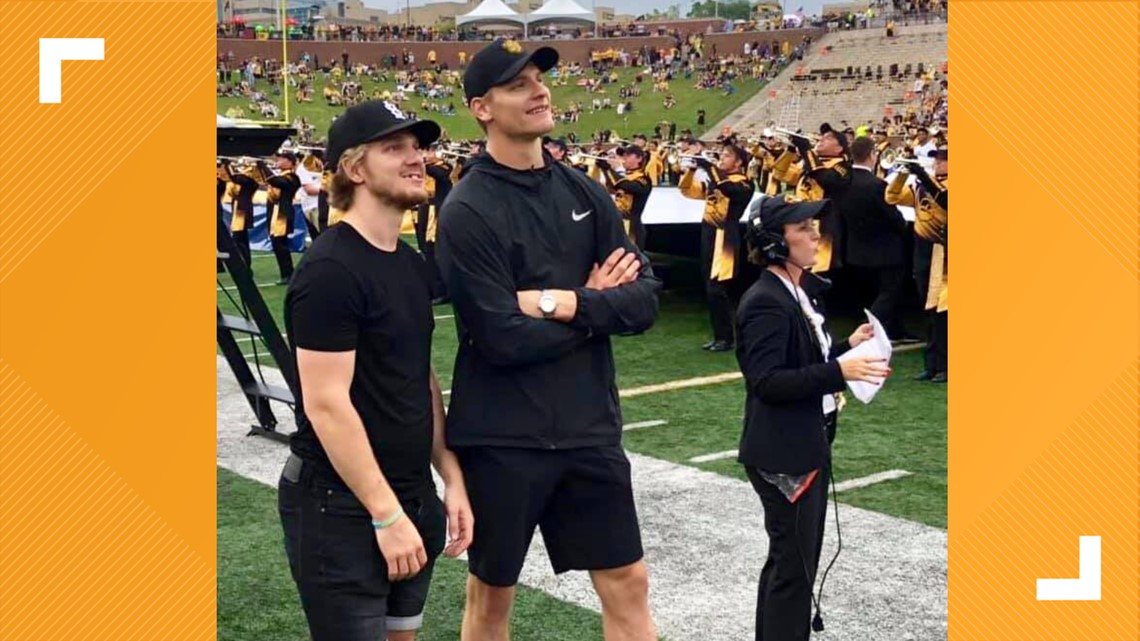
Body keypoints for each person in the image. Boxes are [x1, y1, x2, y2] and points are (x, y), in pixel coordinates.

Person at [435, 38, 661, 641]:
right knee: (491, 597)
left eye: (540, 78)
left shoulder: (582, 189)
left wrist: (562, 302)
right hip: (503, 437)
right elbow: (500, 338)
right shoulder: (467, 208)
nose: (539, 91)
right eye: (519, 84)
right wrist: (596, 306)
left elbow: (643, 301)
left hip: (589, 427)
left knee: (629, 584)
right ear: (483, 107)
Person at [278, 100, 474, 641]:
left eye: (417, 146)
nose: (417, 159)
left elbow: (418, 377)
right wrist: (385, 516)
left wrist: (450, 476)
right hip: (341, 505)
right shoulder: (331, 271)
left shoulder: (408, 263)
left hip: (411, 493)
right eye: (396, 148)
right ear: (355, 169)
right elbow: (326, 404)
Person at [735, 194, 891, 641]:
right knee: (794, 569)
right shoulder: (766, 300)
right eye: (802, 228)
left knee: (792, 562)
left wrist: (845, 348)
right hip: (784, 452)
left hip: (804, 442)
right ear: (774, 242)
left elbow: (805, 358)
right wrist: (837, 372)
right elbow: (767, 381)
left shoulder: (797, 292)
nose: (815, 233)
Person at [679, 144, 755, 351]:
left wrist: (710, 166)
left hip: (725, 238)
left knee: (717, 289)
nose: (722, 157)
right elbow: (688, 191)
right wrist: (692, 170)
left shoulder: (745, 183)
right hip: (709, 235)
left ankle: (727, 337)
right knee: (711, 288)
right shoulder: (718, 180)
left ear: (739, 162)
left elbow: (728, 189)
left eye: (728, 155)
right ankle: (721, 335)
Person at [839, 137, 916, 342]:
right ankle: (870, 333)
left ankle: (896, 331)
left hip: (857, 248)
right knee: (890, 293)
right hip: (885, 250)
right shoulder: (877, 185)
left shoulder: (844, 182)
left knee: (880, 294)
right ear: (872, 155)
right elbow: (894, 218)